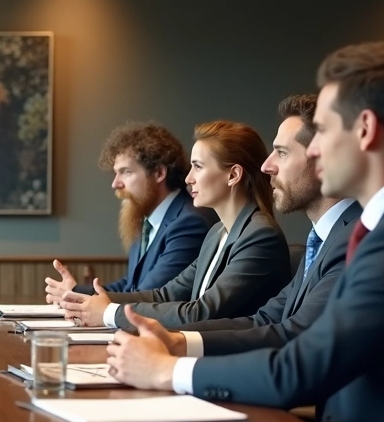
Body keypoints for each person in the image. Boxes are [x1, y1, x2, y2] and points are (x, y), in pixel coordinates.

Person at [106, 42, 384, 422]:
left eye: (323, 132)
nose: (311, 151)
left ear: (366, 129)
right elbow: (277, 327)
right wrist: (179, 343)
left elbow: (301, 368)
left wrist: (168, 371)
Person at [146, 95, 359, 356]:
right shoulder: (322, 238)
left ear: (321, 159)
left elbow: (292, 335)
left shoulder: (355, 239)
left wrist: (172, 366)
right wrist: (176, 340)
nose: (267, 166)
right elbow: (263, 321)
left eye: (281, 152)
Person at [59, 121, 291, 330]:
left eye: (198, 167)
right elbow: (165, 294)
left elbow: (202, 312)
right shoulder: (217, 233)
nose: (189, 178)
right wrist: (87, 299)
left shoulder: (260, 235)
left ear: (233, 175)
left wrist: (110, 313)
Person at [45, 122, 216, 302]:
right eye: (115, 173)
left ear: (159, 173)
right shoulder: (145, 220)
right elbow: (131, 285)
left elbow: (150, 295)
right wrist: (75, 291)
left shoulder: (189, 222)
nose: (115, 183)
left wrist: (76, 293)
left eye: (125, 172)